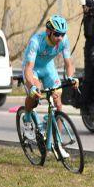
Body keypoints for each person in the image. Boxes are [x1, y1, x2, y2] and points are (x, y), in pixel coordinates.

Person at [21, 15, 78, 155]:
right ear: (48, 31)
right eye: (57, 34)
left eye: (63, 34)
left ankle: (58, 144)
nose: (60, 37)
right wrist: (32, 86)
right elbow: (28, 68)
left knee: (58, 104)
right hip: (33, 69)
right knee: (35, 94)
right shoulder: (36, 41)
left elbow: (69, 63)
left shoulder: (64, 41)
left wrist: (71, 77)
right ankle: (27, 118)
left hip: (48, 69)